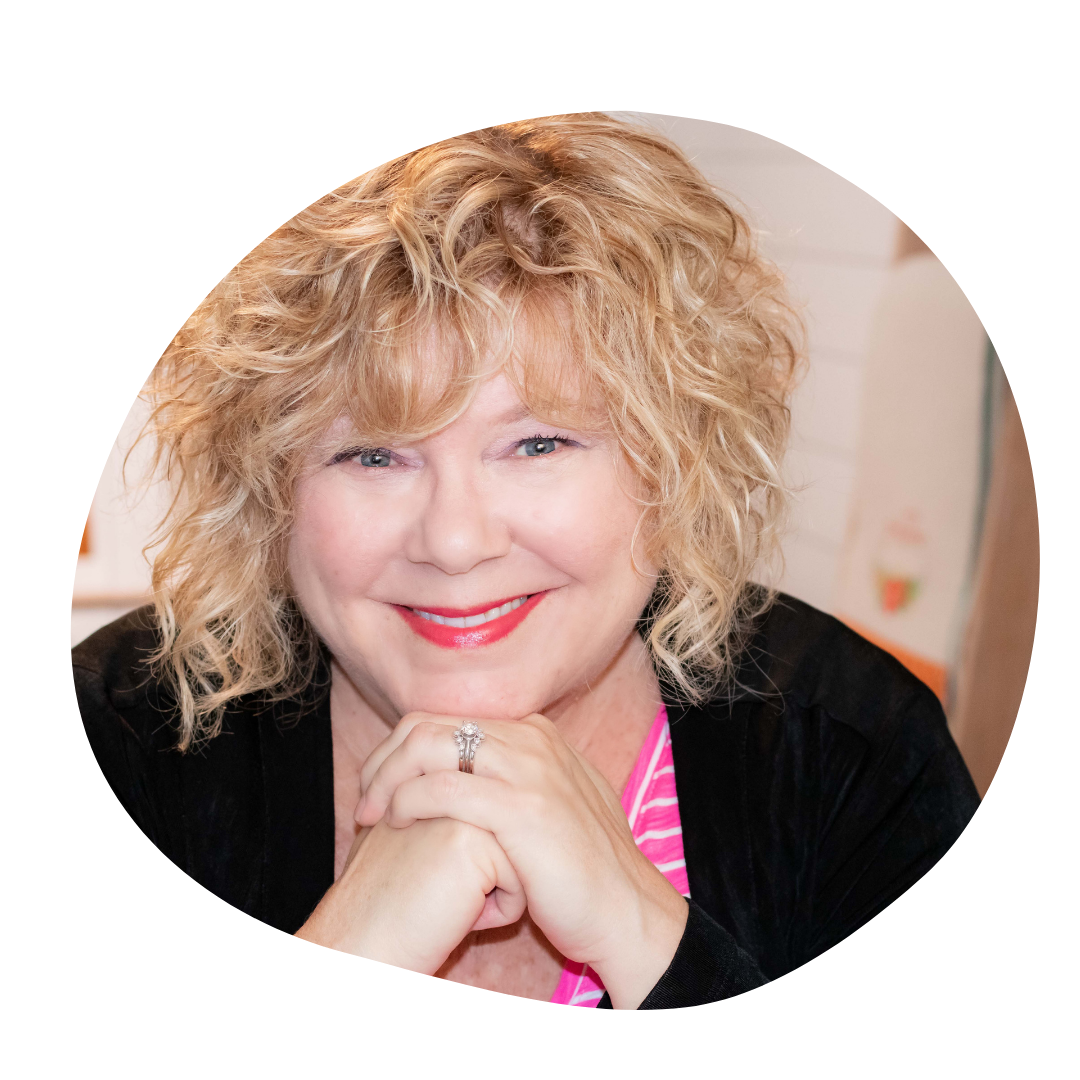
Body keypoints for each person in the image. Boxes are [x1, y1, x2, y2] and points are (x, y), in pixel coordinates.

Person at [73, 114, 980, 1009]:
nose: (456, 542)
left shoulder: (853, 756)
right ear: (267, 491)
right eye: (373, 455)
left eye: (539, 444)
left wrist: (642, 929)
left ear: (674, 465)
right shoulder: (125, 740)